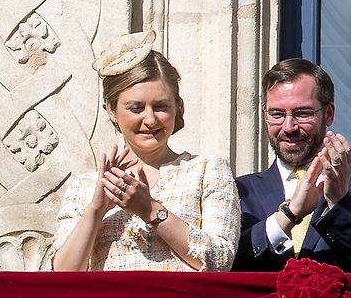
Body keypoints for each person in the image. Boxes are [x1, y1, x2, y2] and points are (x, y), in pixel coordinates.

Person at [46, 31, 239, 271]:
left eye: (160, 107)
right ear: (111, 110)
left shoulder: (207, 171)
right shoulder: (85, 186)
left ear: (177, 107)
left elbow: (219, 261)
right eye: (135, 108)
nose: (149, 119)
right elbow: (61, 275)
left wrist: (150, 209)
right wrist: (96, 210)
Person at [233, 59, 351, 273]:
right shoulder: (237, 193)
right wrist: (288, 215)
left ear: (329, 114)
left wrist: (340, 203)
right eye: (277, 114)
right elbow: (221, 266)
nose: (289, 127)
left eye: (302, 113)